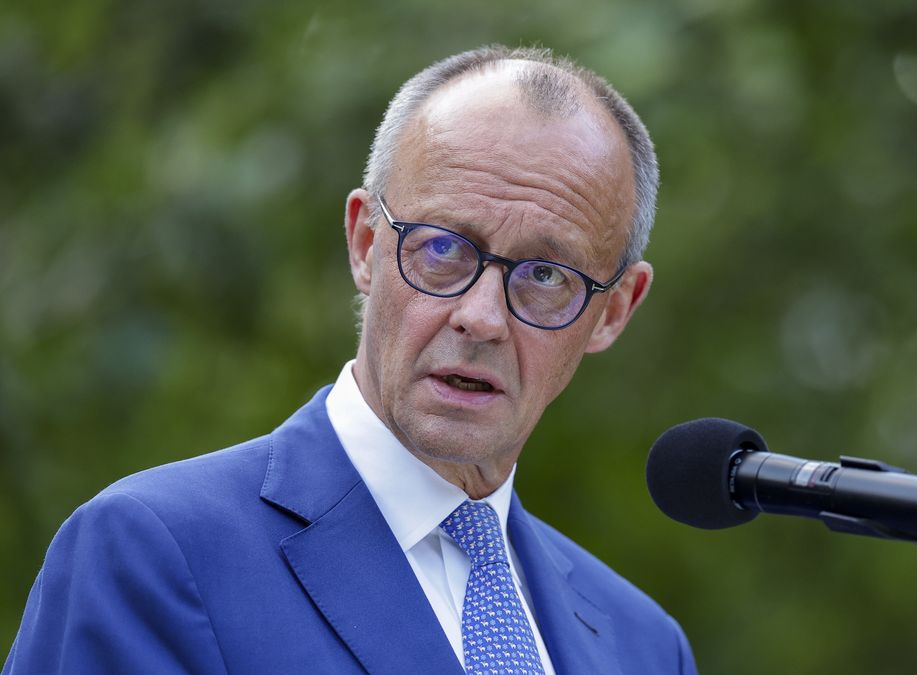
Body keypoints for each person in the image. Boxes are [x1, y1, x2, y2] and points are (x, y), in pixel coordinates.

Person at [4, 45, 697, 674]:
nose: (481, 316)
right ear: (366, 243)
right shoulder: (156, 552)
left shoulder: (644, 643)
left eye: (546, 276)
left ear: (613, 310)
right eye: (442, 247)